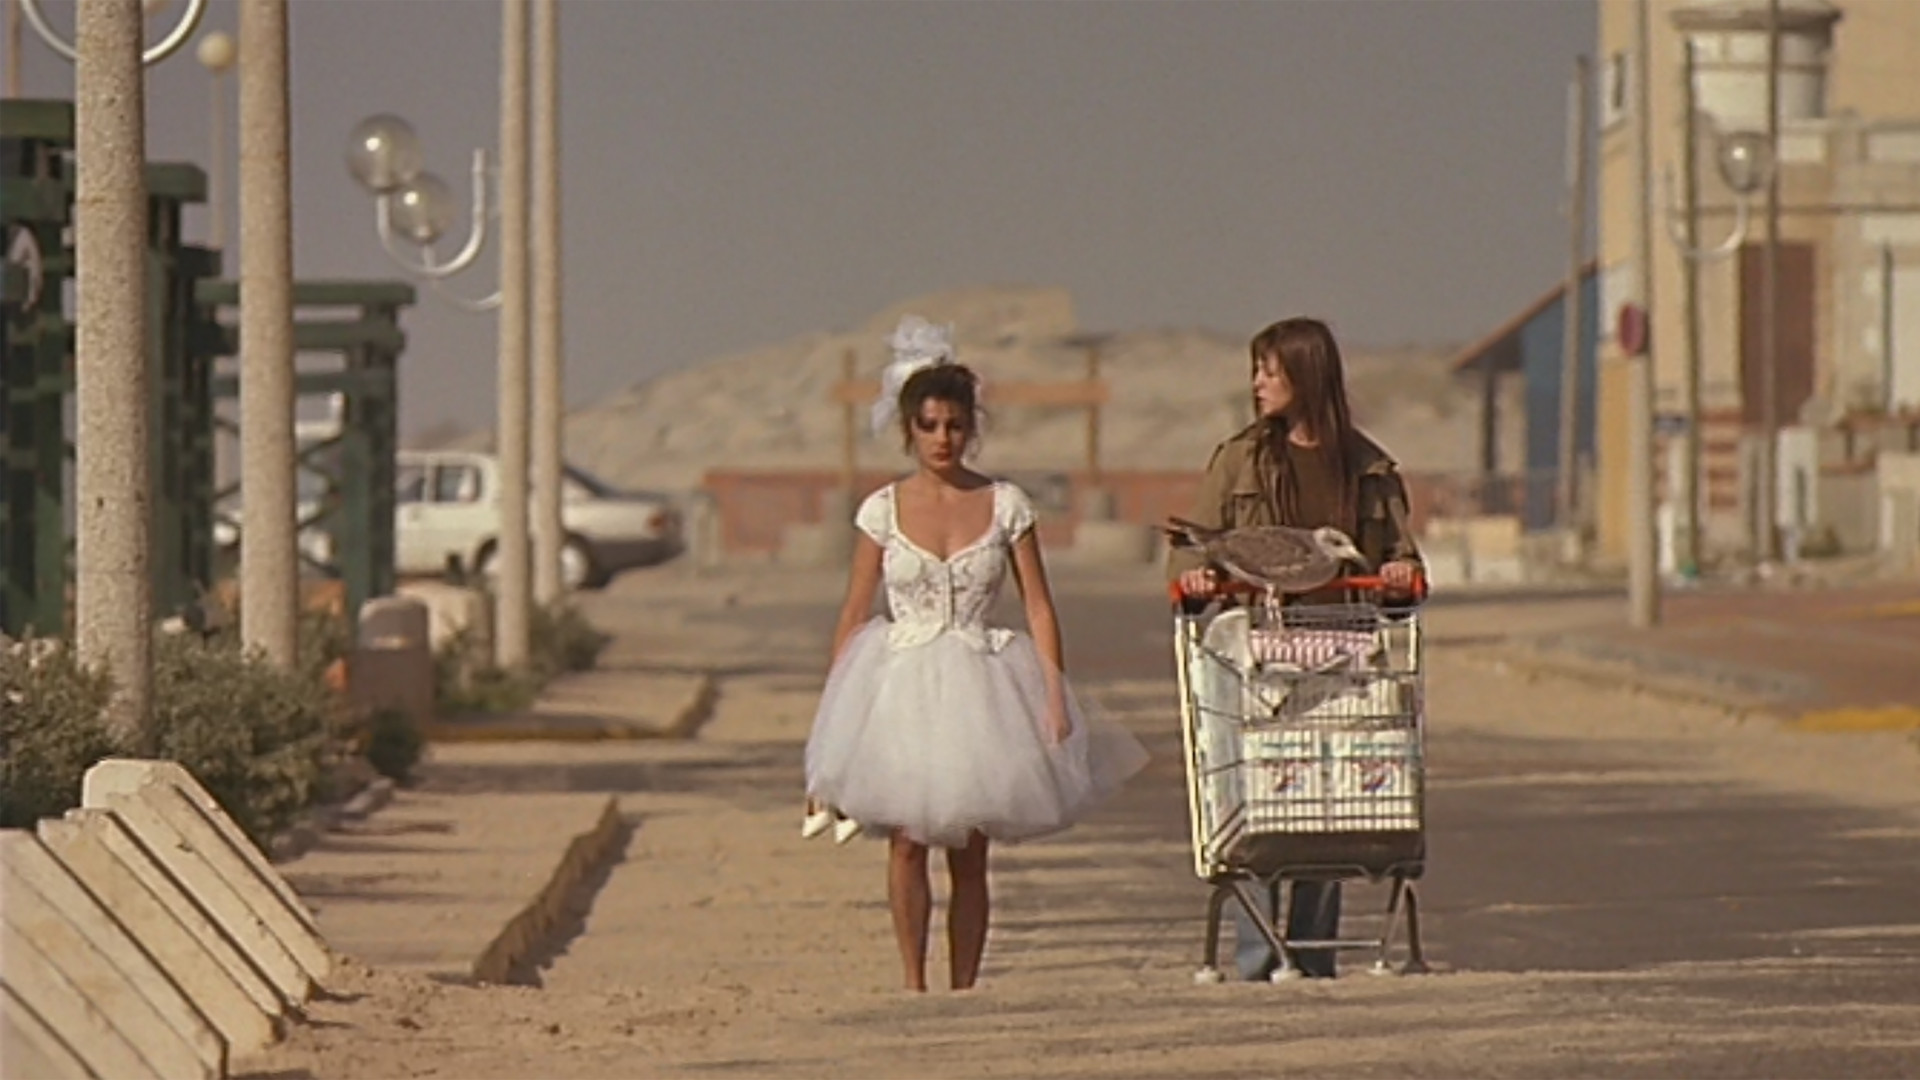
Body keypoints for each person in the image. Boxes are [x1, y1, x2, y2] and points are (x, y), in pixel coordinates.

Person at [804, 315, 1151, 993]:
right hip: (899, 680)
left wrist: (1053, 696)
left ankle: (964, 986)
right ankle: (914, 982)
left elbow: (1039, 605)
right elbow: (854, 611)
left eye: (955, 425)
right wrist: (833, 709)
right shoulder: (881, 510)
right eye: (930, 425)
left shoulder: (1005, 504)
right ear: (909, 429)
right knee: (906, 841)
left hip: (980, 680)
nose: (943, 438)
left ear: (972, 428)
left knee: (970, 848)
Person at [1166, 316, 1423, 980]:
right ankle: (1258, 958)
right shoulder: (1240, 460)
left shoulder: (1369, 469)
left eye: (1270, 371)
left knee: (1325, 808)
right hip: (1256, 659)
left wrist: (1398, 578)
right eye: (1255, 370)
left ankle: (1312, 954)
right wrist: (1196, 583)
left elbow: (1401, 564)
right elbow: (1194, 548)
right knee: (1259, 801)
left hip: (1344, 657)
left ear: (1306, 376)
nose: (1257, 383)